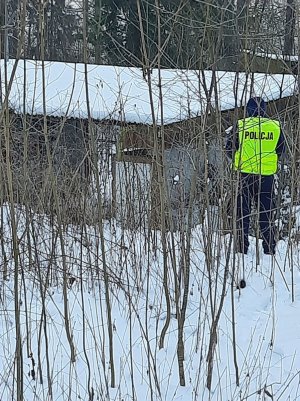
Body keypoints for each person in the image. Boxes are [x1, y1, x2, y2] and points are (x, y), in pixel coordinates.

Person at [226, 97, 285, 255]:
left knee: (242, 213)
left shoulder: (241, 125)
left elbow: (229, 149)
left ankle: (241, 248)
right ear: (264, 110)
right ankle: (269, 249)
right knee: (266, 213)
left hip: (244, 175)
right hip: (266, 177)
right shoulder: (274, 127)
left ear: (248, 110)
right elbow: (281, 150)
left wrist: (240, 160)